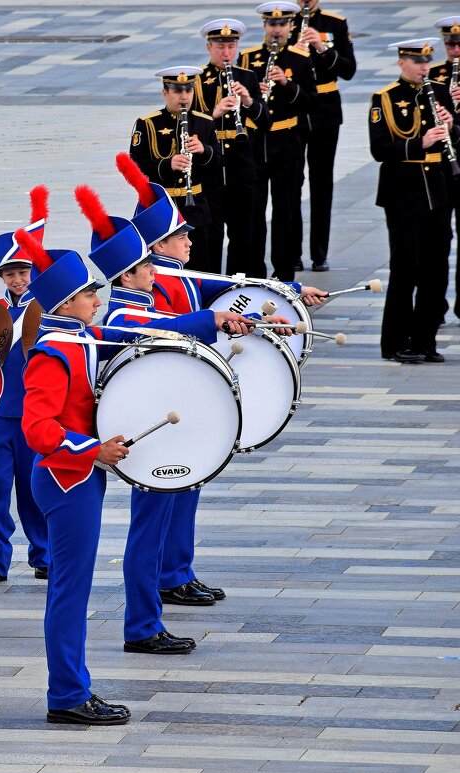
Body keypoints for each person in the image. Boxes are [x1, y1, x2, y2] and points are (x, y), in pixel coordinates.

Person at [14, 186, 223, 725]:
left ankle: (72, 687)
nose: (97, 299)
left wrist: (217, 322)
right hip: (65, 480)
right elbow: (38, 429)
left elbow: (157, 328)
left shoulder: (81, 335)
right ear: (64, 304)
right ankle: (66, 694)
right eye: (88, 294)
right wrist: (93, 447)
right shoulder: (52, 352)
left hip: (79, 477)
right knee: (69, 589)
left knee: (72, 587)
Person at [117, 154, 326, 603]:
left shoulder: (182, 276)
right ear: (153, 249)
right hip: (161, 397)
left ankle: (177, 570)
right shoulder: (148, 288)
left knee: (190, 482)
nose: (190, 241)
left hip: (189, 392)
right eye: (179, 236)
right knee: (165, 491)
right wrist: (222, 318)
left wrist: (288, 297)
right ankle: (163, 579)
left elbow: (233, 286)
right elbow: (177, 321)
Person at [101, 166, 255, 651]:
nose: (156, 271)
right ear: (128, 274)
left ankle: (149, 618)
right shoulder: (125, 313)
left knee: (156, 525)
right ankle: (142, 627)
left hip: (159, 428)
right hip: (139, 438)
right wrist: (215, 317)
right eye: (148, 265)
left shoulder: (142, 304)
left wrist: (250, 314)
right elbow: (169, 328)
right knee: (146, 533)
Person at [0, 186, 49, 587]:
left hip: (34, 411)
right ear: (1, 277)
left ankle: (41, 554)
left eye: (24, 271)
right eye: (11, 273)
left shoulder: (50, 309)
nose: (19, 278)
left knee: (33, 487)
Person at [371, 39, 456, 363]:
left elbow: (458, 133)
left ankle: (425, 340)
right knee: (406, 268)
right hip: (403, 193)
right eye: (417, 62)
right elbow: (379, 149)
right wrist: (419, 143)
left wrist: (450, 127)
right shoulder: (385, 98)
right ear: (401, 62)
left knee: (436, 271)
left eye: (427, 62)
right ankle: (395, 342)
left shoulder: (440, 91)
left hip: (438, 191)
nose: (424, 68)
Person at [239, 1, 317, 281]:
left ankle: (284, 273)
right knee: (254, 211)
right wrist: (254, 95)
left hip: (287, 143)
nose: (276, 30)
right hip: (255, 143)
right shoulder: (248, 58)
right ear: (264, 27)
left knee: (286, 210)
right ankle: (254, 272)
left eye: (282, 24)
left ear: (291, 26)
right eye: (271, 24)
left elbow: (311, 102)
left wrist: (286, 84)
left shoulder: (299, 58)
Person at [193, 19, 269, 276]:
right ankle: (212, 285)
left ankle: (241, 285)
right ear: (208, 47)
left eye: (231, 46)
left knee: (243, 234)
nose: (226, 53)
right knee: (211, 234)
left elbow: (265, 121)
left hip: (241, 166)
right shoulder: (196, 80)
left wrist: (248, 100)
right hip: (211, 167)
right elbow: (190, 125)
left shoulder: (246, 76)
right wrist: (213, 114)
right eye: (220, 46)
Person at [128, 66, 221, 273]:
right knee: (162, 270)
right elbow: (134, 166)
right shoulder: (147, 124)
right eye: (178, 91)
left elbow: (219, 164)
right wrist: (166, 164)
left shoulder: (205, 123)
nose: (184, 97)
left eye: (188, 91)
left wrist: (204, 151)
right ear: (165, 93)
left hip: (195, 208)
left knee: (201, 268)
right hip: (161, 208)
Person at [292, 0, 357, 273]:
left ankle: (320, 253)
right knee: (291, 183)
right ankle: (292, 251)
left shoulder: (335, 24)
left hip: (325, 108)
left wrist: (321, 46)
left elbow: (348, 69)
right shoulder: (284, 21)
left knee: (322, 184)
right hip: (294, 108)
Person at [429, 17, 460, 323]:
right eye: (450, 44)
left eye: (459, 44)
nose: (455, 50)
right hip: (441, 169)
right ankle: (434, 306)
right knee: (438, 239)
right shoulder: (435, 79)